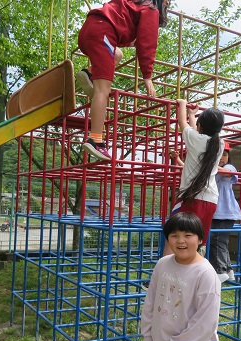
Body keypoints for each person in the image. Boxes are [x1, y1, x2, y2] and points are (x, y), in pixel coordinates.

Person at [141, 212, 221, 341]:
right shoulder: (163, 264)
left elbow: (205, 324)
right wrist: (148, 336)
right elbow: (151, 302)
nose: (181, 241)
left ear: (200, 239)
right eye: (174, 235)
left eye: (188, 235)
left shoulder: (205, 275)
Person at [76, 0, 170, 161]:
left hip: (89, 30)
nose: (167, 4)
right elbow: (147, 44)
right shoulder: (151, 9)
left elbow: (119, 23)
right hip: (103, 33)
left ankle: (90, 74)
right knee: (102, 91)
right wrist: (147, 77)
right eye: (167, 3)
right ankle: (95, 140)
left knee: (117, 54)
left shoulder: (134, 3)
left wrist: (131, 40)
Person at [163, 99, 225, 257]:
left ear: (200, 126)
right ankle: (194, 270)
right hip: (211, 200)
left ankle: (164, 271)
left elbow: (182, 123)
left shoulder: (196, 139)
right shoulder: (219, 144)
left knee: (174, 236)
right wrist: (192, 115)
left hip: (192, 198)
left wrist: (183, 104)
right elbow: (195, 131)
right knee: (196, 240)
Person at [208, 141, 241, 282]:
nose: (222, 157)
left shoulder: (229, 167)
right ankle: (228, 270)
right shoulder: (212, 171)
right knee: (220, 241)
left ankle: (220, 271)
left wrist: (210, 163)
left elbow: (227, 173)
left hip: (226, 212)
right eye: (219, 154)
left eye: (225, 154)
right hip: (216, 211)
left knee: (217, 241)